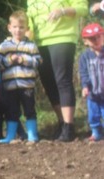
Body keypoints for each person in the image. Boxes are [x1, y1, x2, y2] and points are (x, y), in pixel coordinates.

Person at [27, 0, 88, 142]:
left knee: (62, 80)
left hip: (62, 38)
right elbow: (29, 18)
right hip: (40, 42)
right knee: (48, 82)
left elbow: (83, 8)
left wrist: (63, 11)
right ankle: (61, 122)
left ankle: (69, 126)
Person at [0, 10, 42, 144]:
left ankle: (32, 135)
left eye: (21, 27)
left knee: (29, 110)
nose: (18, 30)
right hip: (10, 85)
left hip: (27, 85)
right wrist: (10, 60)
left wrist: (24, 60)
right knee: (12, 111)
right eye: (15, 27)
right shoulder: (4, 46)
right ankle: (10, 136)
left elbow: (38, 61)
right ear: (9, 28)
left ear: (27, 29)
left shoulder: (31, 45)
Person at [79, 23, 104, 141]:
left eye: (98, 37)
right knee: (93, 114)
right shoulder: (85, 57)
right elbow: (84, 74)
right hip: (93, 93)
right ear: (86, 41)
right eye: (92, 38)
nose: (96, 40)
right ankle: (95, 133)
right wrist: (85, 87)